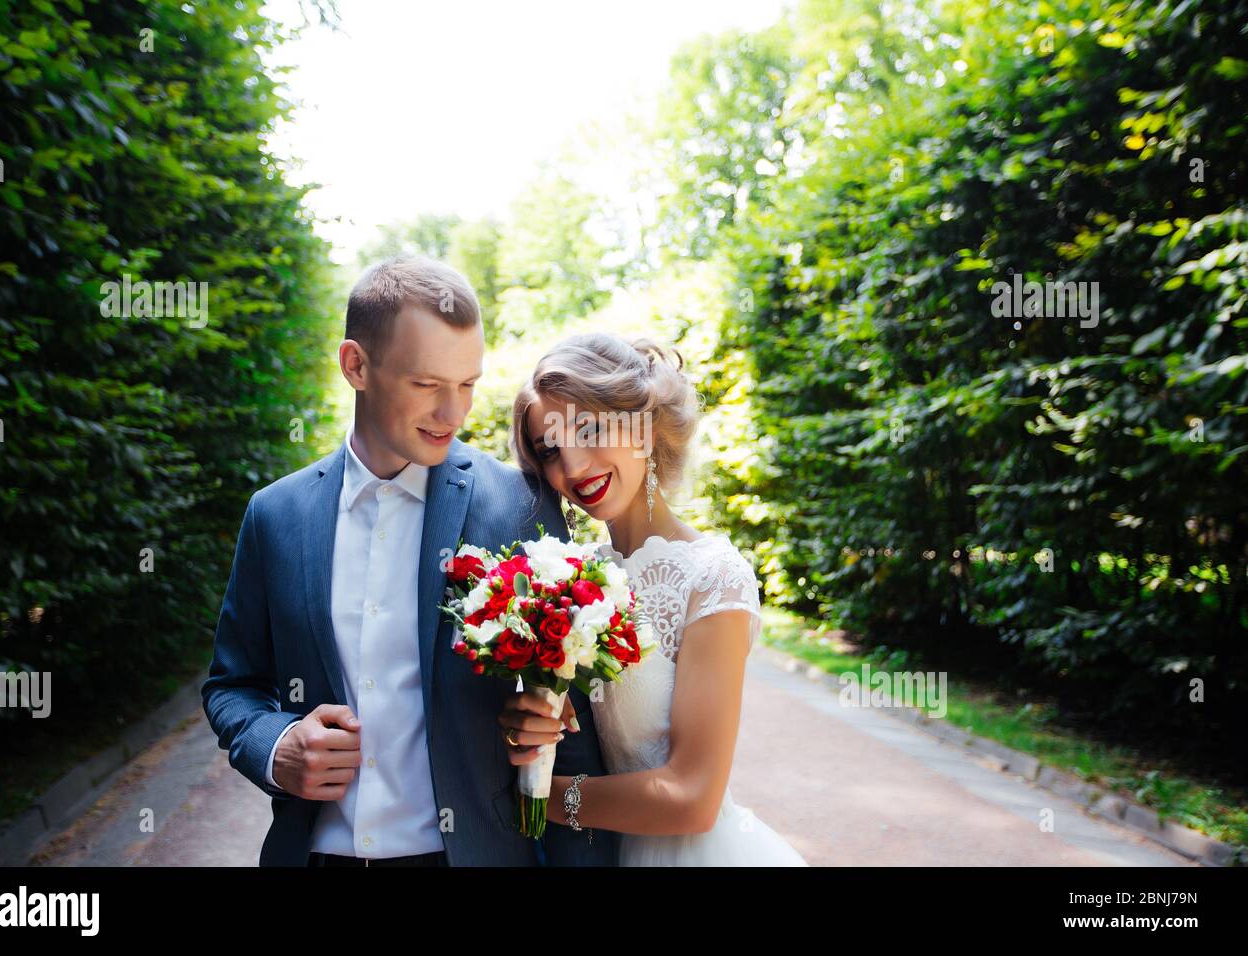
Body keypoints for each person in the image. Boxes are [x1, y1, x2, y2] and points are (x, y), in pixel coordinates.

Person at [202, 255, 615, 866]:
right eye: (427, 385)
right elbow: (233, 686)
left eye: (468, 385)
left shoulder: (520, 506)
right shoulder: (274, 516)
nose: (454, 414)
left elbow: (572, 730)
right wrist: (276, 745)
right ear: (356, 365)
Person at [498, 332, 808, 865]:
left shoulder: (713, 577)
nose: (571, 466)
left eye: (589, 429)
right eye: (549, 449)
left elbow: (692, 799)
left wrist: (542, 799)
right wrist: (530, 720)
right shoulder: (566, 577)